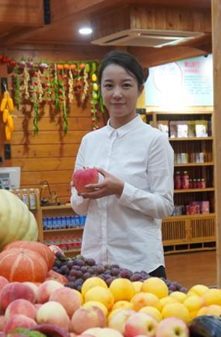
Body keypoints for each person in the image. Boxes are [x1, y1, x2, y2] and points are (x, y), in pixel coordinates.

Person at [70, 51, 174, 278]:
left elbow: (165, 206)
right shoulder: (90, 141)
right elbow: (77, 206)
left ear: (139, 90)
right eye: (109, 86)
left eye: (125, 85)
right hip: (93, 264)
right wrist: (83, 194)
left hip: (140, 265)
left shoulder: (154, 141)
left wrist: (121, 190)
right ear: (102, 91)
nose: (116, 94)